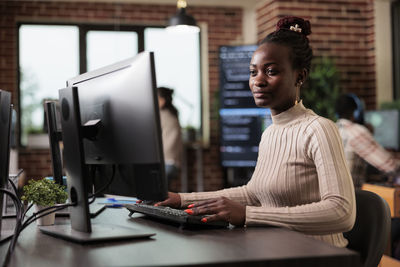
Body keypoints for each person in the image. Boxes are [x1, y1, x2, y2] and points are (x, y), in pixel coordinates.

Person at [156, 16, 355, 248]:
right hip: (274, 250)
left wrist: (249, 215)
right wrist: (181, 199)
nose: (258, 80)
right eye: (253, 72)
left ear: (300, 76)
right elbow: (253, 194)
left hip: (319, 256)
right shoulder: (270, 133)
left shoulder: (319, 129)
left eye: (270, 71)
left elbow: (341, 212)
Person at [335, 93, 400, 189]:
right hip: (351, 198)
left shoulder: (333, 130)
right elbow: (390, 167)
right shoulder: (356, 132)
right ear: (356, 113)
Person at [157, 87, 183, 182]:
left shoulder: (161, 115)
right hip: (173, 163)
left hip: (165, 163)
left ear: (162, 101)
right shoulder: (173, 114)